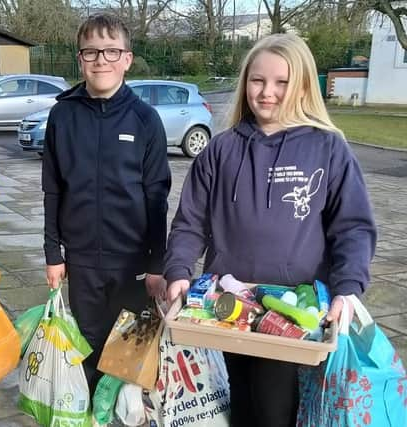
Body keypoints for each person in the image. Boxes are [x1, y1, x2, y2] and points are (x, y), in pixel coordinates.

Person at [164, 33, 376, 427]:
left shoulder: (328, 149)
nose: (267, 92)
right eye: (258, 80)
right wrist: (178, 270)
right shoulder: (221, 149)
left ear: (302, 85)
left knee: (274, 409)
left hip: (292, 313)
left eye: (281, 82)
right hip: (225, 309)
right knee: (239, 403)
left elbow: (353, 228)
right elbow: (190, 221)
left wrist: (348, 288)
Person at [42, 13, 171, 393]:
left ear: (127, 59)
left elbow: (157, 197)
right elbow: (53, 189)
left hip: (132, 263)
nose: (101, 60)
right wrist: (53, 253)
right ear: (79, 58)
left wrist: (157, 264)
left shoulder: (146, 119)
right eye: (91, 51)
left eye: (111, 51)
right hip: (81, 261)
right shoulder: (61, 115)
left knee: (131, 358)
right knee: (87, 352)